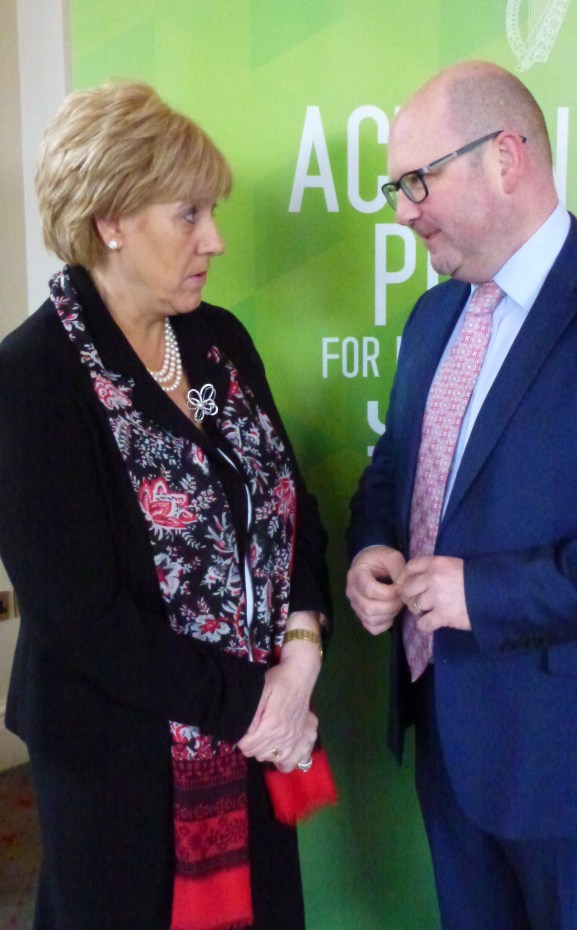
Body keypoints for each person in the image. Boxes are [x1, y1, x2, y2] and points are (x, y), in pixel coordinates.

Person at [346, 60, 577, 930]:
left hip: (575, 767)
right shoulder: (432, 317)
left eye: (416, 181)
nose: (402, 209)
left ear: (506, 156)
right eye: (397, 186)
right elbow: (397, 465)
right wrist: (371, 546)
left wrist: (483, 592)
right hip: (449, 740)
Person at [0, 81, 335, 930]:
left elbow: (288, 509)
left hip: (258, 736)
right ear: (110, 219)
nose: (215, 240)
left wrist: (298, 656)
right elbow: (83, 618)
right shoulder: (32, 380)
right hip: (123, 760)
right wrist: (263, 705)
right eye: (189, 214)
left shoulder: (218, 340)